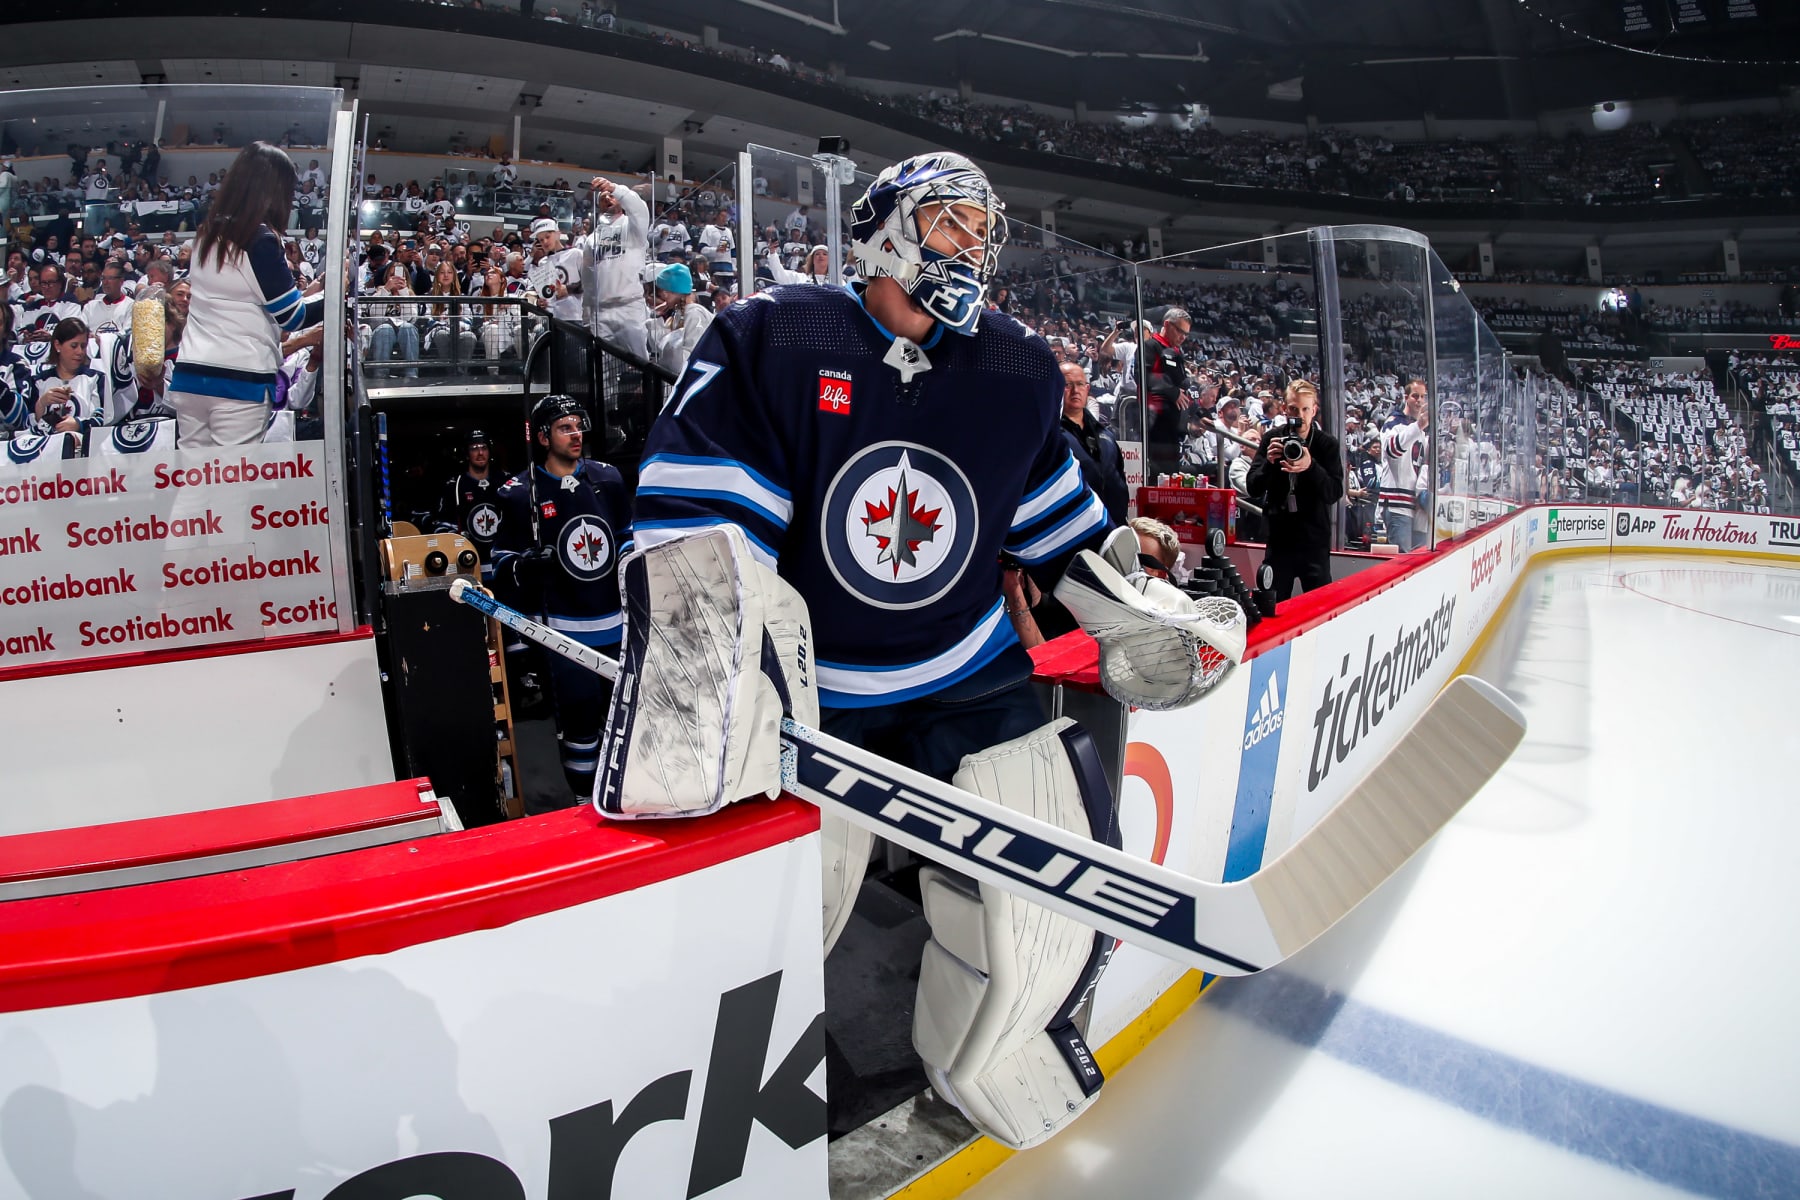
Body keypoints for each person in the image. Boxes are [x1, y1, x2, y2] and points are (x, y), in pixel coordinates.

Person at [613, 152, 1242, 1153]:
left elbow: (1060, 536)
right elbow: (703, 536)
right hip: (819, 684)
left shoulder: (1015, 369)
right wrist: (725, 682)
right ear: (884, 231)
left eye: (986, 230)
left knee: (1034, 876)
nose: (976, 249)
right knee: (768, 906)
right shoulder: (779, 337)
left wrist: (1136, 611)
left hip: (964, 669)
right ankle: (695, 1095)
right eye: (952, 223)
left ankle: (996, 1052)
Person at [490, 395, 632, 808]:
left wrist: (627, 560)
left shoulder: (607, 479)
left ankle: (622, 793)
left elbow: (625, 534)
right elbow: (500, 562)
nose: (576, 434)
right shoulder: (518, 494)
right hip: (564, 634)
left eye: (577, 426)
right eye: (564, 428)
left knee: (622, 718)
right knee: (582, 724)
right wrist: (523, 567)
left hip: (617, 625)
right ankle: (585, 802)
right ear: (542, 437)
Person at [168, 142, 322, 446]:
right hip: (239, 381)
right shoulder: (261, 239)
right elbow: (293, 316)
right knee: (233, 486)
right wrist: (335, 298)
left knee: (195, 484)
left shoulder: (207, 233)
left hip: (190, 376)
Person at [1245, 379, 1343, 599]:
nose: (1299, 415)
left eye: (1305, 409)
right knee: (1272, 606)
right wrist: (1269, 465)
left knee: (1318, 608)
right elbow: (1253, 487)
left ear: (1314, 411)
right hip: (1280, 540)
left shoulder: (1327, 444)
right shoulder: (1272, 438)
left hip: (1314, 542)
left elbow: (1334, 492)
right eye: (1293, 409)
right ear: (1284, 409)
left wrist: (1311, 466)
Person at [580, 176, 651, 358]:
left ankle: (647, 388)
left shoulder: (633, 227)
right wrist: (587, 318)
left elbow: (639, 207)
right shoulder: (591, 239)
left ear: (620, 199)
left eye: (611, 196)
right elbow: (587, 281)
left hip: (629, 307)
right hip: (600, 311)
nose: (607, 199)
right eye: (603, 199)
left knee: (640, 364)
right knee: (603, 370)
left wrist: (613, 187)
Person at [1057, 360, 1128, 525]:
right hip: (1073, 531)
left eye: (1080, 384)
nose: (1075, 390)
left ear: (1087, 389)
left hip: (1113, 528)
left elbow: (1119, 477)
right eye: (1067, 385)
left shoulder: (1106, 434)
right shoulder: (1050, 436)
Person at [432, 429, 503, 575]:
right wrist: (456, 536)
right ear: (467, 453)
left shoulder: (505, 482)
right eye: (474, 449)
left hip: (500, 565)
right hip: (467, 565)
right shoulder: (454, 486)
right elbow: (440, 524)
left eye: (483, 447)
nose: (480, 453)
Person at [1380, 378, 1431, 551]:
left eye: (1423, 397)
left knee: (1415, 562)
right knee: (1401, 562)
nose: (1419, 400)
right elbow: (1392, 450)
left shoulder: (1422, 431)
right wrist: (1418, 426)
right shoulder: (1393, 422)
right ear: (1406, 397)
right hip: (1397, 507)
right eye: (1415, 396)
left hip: (1415, 509)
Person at [646, 262, 711, 382]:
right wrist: (655, 320)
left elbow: (690, 358)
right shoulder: (677, 315)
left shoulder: (695, 314)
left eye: (662, 291)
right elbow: (658, 347)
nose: (662, 295)